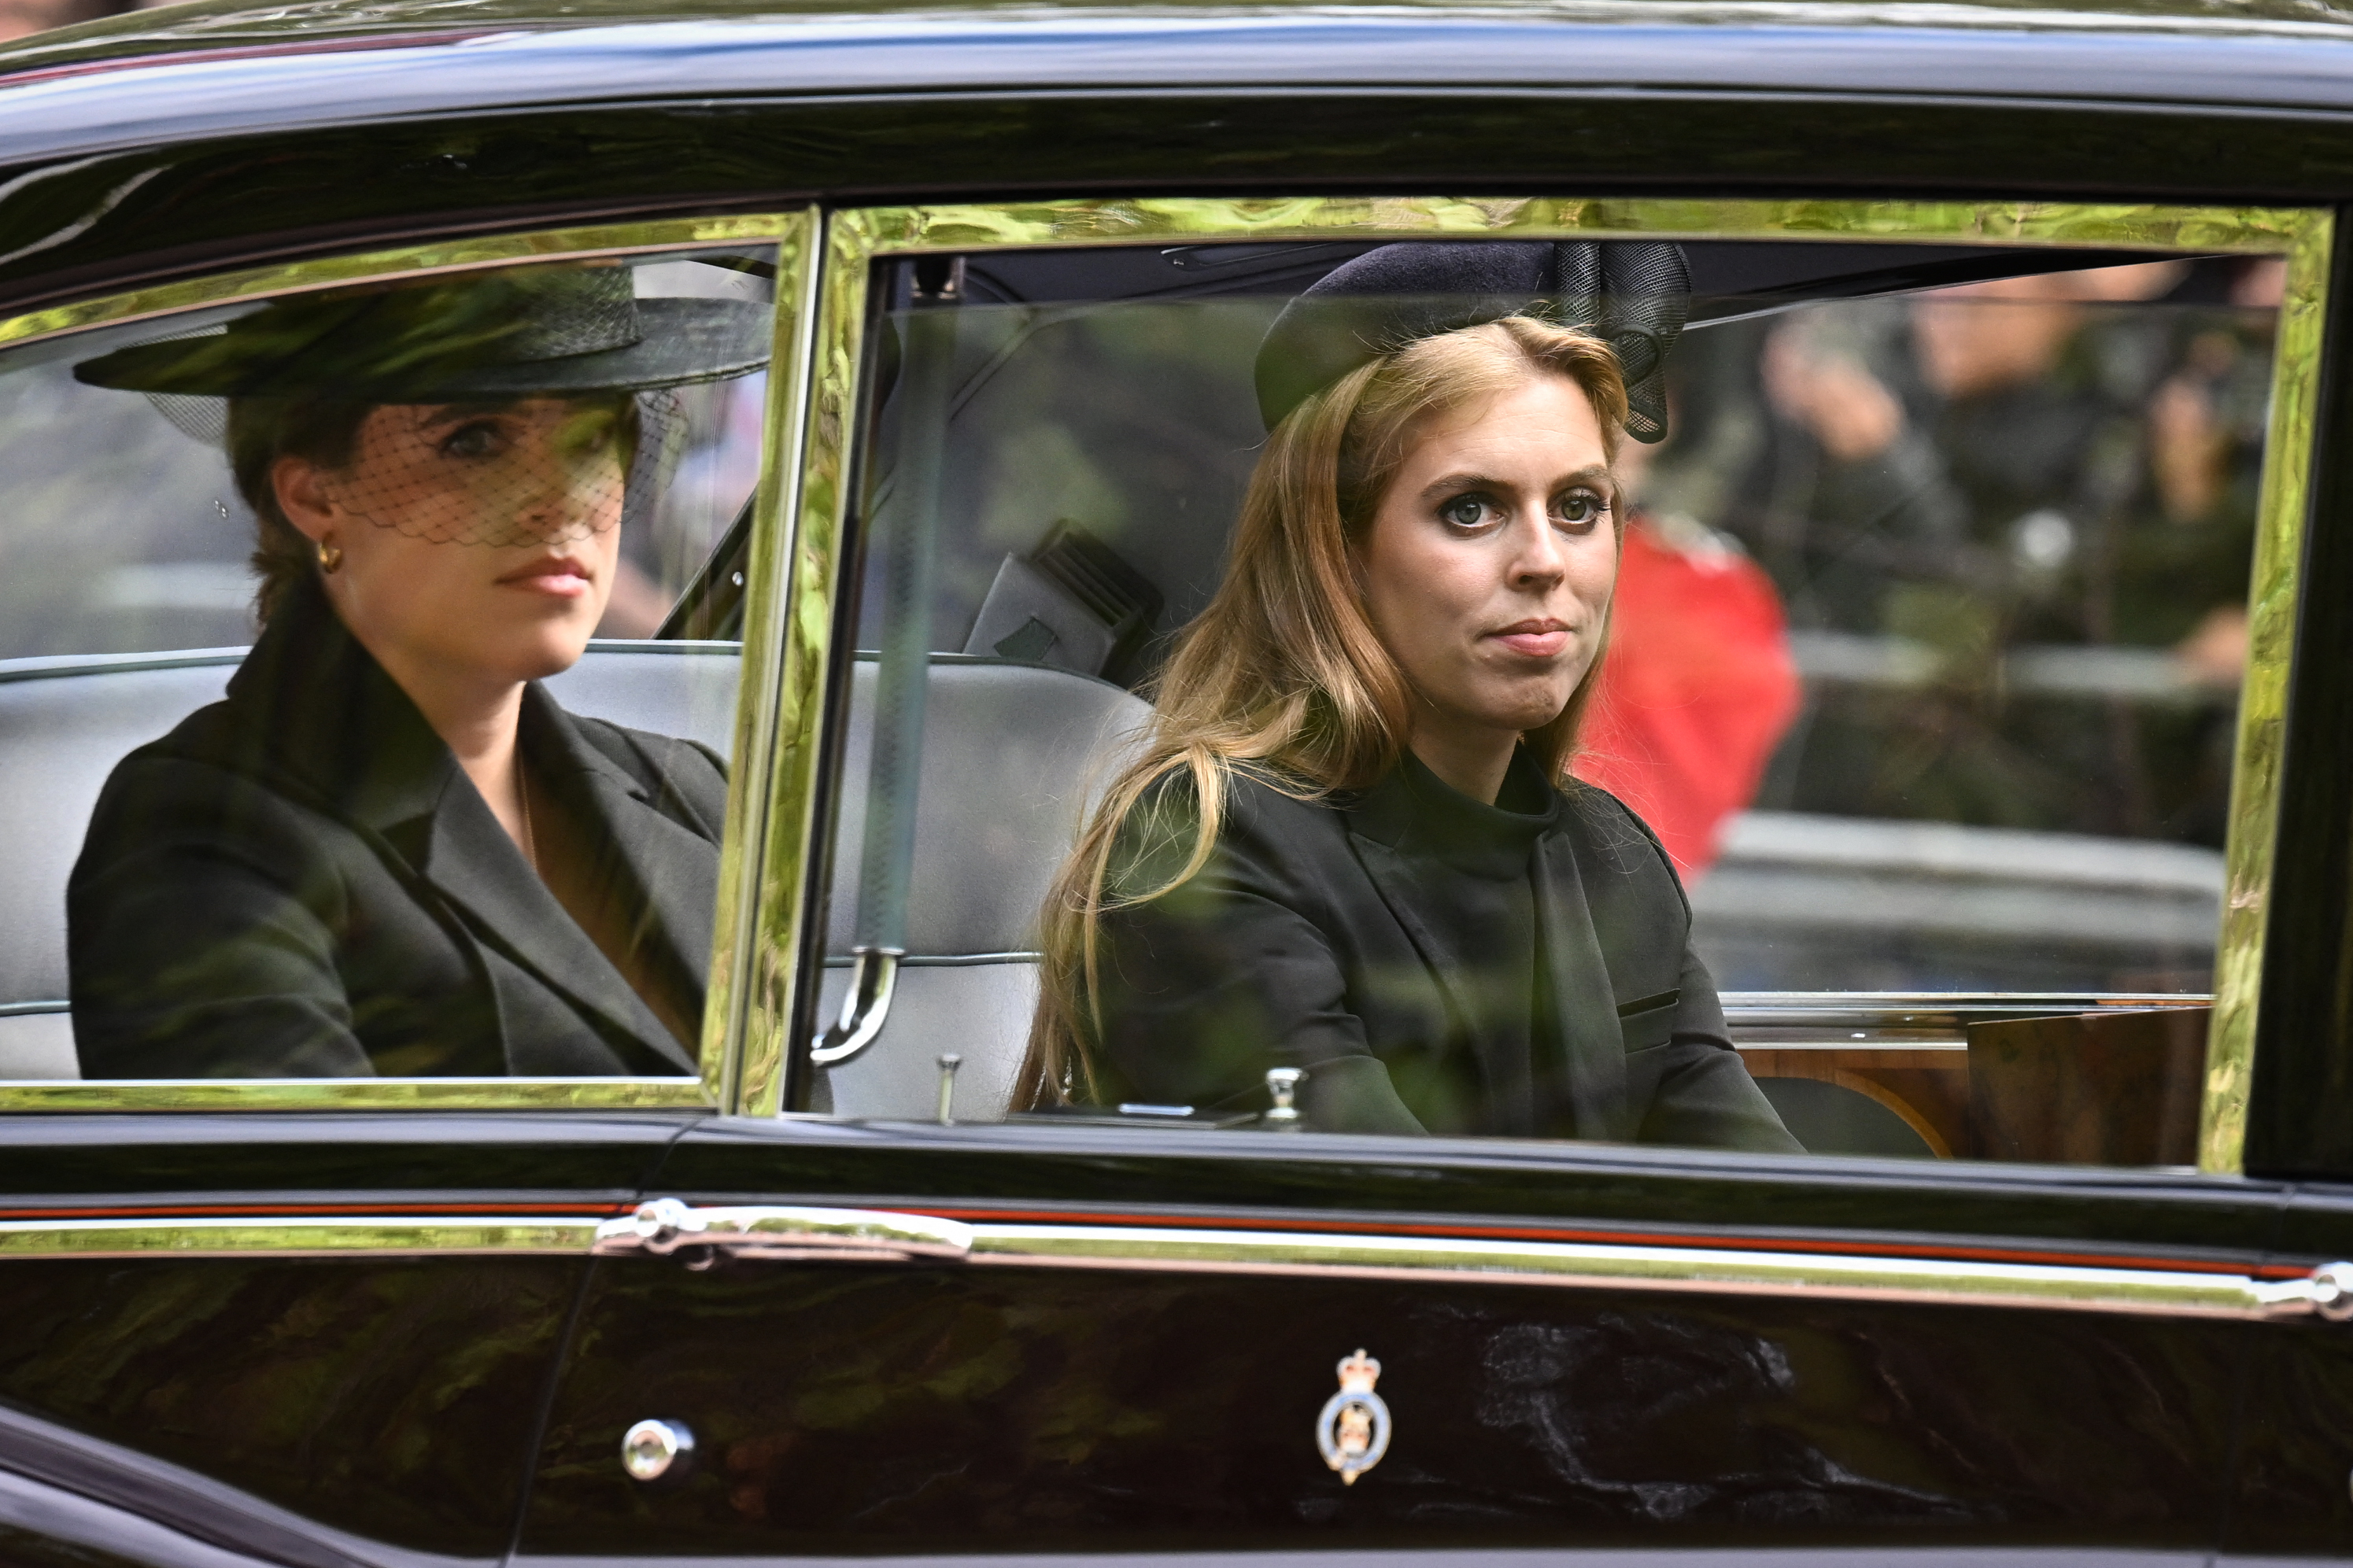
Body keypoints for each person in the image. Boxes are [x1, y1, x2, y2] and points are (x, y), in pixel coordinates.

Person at [1017, 241, 1799, 1149]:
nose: (1544, 561)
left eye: (1578, 507)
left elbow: (1764, 1198)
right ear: (1336, 552)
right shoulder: (1205, 844)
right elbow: (1392, 1220)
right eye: (1469, 508)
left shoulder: (1610, 856)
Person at [65, 260, 769, 1077]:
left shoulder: (693, 793)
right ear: (314, 497)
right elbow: (289, 1165)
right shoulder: (201, 833)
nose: (561, 498)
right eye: (475, 440)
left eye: (591, 438)